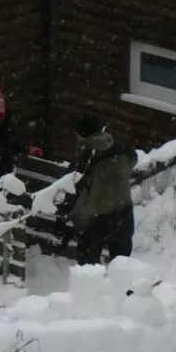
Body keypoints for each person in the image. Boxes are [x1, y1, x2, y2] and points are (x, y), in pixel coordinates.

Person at [62, 113, 137, 265]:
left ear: (84, 134)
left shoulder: (89, 157)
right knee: (122, 269)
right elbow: (132, 160)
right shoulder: (120, 150)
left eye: (78, 135)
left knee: (88, 272)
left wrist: (74, 223)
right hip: (123, 215)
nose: (77, 139)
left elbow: (81, 193)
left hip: (96, 222)